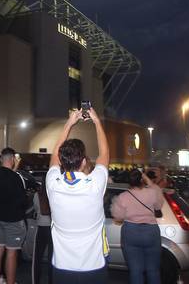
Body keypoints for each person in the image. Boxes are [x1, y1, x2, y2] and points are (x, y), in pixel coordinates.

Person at [46, 108, 110, 283]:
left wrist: (70, 122)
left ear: (62, 160)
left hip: (61, 269)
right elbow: (104, 155)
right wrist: (97, 121)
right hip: (94, 268)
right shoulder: (95, 185)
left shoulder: (52, 184)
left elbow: (53, 157)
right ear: (84, 162)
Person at [111, 169, 164, 284]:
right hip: (151, 231)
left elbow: (118, 217)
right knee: (153, 270)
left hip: (131, 232)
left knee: (135, 271)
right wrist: (147, 179)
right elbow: (159, 205)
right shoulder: (152, 192)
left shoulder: (123, 197)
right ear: (142, 180)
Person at [0, 148, 28, 284]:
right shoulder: (16, 178)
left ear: (1, 159)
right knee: (11, 253)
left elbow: (6, 178)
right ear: (12, 159)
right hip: (13, 220)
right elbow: (23, 201)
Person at [32, 179, 53, 284]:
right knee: (52, 258)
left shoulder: (37, 195)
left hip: (41, 227)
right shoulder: (54, 193)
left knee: (37, 258)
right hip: (52, 229)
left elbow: (36, 209)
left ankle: (36, 281)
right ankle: (51, 281)